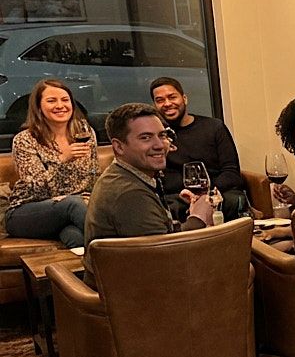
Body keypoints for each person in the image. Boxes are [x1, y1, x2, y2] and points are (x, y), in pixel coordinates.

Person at [84, 103, 213, 279]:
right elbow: (168, 254)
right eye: (146, 138)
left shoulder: (126, 175)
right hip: (132, 291)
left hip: (136, 279)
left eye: (162, 135)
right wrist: (198, 218)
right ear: (119, 147)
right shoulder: (129, 194)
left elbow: (159, 236)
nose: (159, 145)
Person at [5, 79, 97, 248]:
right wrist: (62, 159)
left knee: (75, 236)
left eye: (65, 100)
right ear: (39, 107)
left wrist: (88, 198)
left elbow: (93, 175)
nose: (60, 106)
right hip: (27, 210)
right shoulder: (25, 140)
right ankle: (120, 248)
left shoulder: (84, 132)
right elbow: (36, 187)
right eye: (51, 101)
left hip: (73, 209)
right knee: (72, 205)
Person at [150, 77, 246, 220]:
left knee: (235, 200)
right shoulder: (157, 138)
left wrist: (205, 194)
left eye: (172, 97)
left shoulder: (214, 127)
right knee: (165, 208)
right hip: (178, 197)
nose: (167, 103)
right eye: (160, 100)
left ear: (184, 99)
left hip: (216, 191)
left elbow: (231, 172)